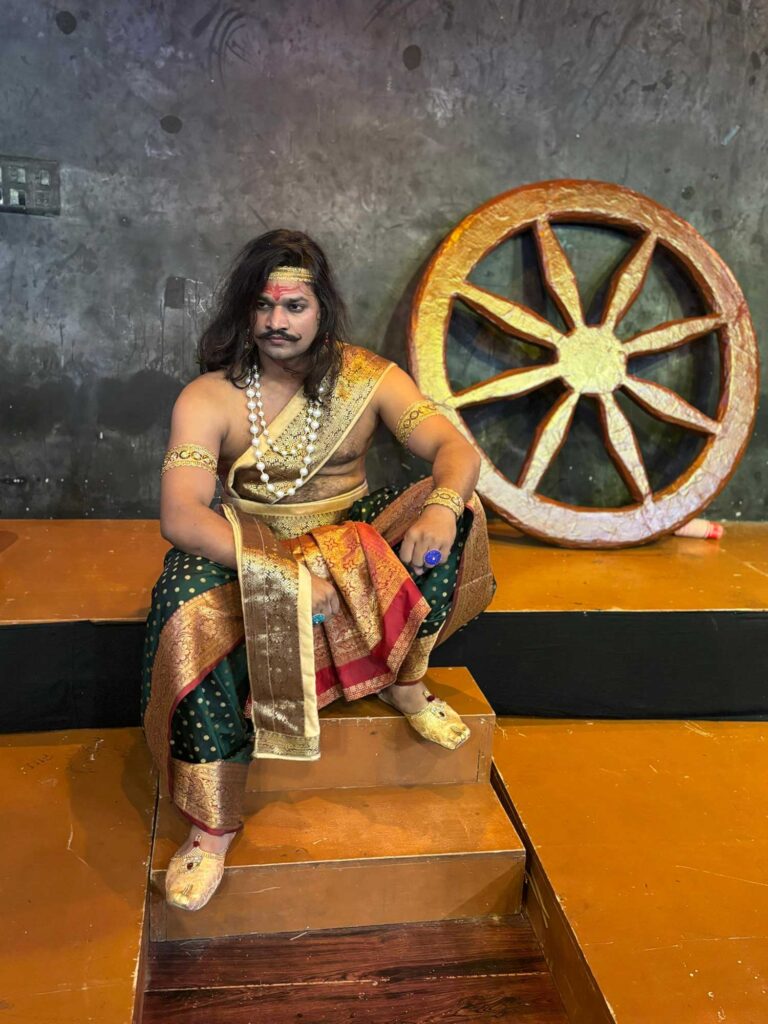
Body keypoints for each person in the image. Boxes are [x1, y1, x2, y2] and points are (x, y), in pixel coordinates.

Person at [141, 229, 495, 912]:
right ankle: (210, 826)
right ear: (244, 310)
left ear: (322, 309)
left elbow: (454, 449)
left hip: (349, 538)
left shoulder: (371, 379)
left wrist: (444, 507)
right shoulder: (209, 397)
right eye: (263, 305)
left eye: (294, 306)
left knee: (459, 505)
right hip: (252, 543)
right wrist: (284, 572)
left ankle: (404, 678)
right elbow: (182, 515)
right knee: (183, 604)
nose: (277, 321)